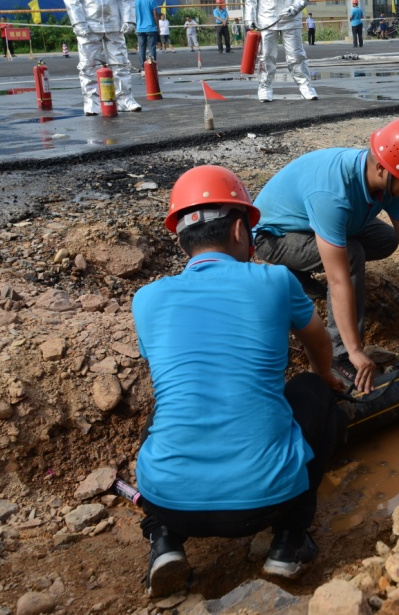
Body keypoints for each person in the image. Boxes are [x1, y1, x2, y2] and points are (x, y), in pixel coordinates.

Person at [133, 165, 345, 597]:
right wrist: (324, 375)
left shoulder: (147, 299)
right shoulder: (274, 279)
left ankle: (164, 541)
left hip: (170, 504)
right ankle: (289, 539)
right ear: (237, 230)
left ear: (181, 237)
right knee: (312, 391)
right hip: (263, 502)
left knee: (168, 410)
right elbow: (319, 344)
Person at [252, 118, 399, 394]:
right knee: (350, 255)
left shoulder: (391, 176)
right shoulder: (333, 191)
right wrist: (355, 349)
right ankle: (338, 354)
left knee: (386, 240)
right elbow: (337, 279)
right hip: (274, 236)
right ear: (383, 168)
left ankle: (299, 276)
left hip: (317, 224)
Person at [134, 0, 158, 71]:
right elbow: (155, 14)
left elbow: (133, 14)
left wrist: (135, 27)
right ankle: (152, 67)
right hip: (151, 28)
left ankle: (143, 67)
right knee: (152, 48)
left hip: (139, 28)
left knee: (141, 49)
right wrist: (158, 27)